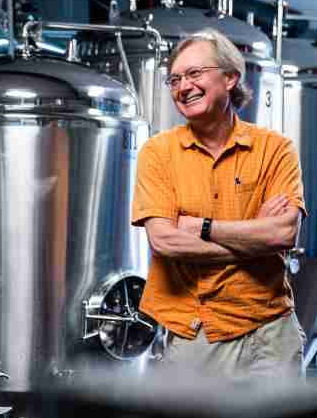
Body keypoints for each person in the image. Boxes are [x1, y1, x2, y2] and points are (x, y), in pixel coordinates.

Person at [132, 27, 307, 379]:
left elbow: (285, 232)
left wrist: (205, 228)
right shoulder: (158, 153)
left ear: (230, 78)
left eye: (195, 73)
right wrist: (254, 241)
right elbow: (165, 241)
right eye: (174, 79)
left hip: (271, 333)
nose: (183, 87)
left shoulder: (275, 149)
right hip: (197, 333)